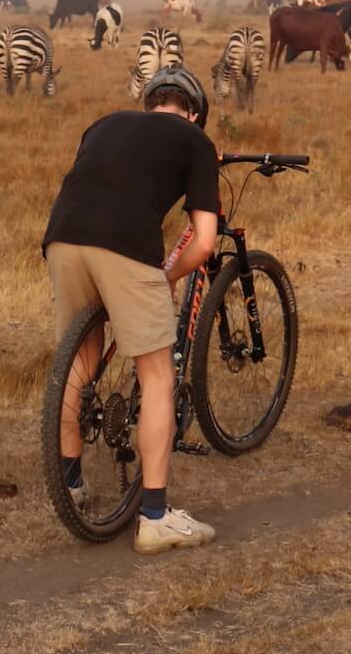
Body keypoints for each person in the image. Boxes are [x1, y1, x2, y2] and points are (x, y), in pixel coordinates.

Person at [41, 66, 221, 554]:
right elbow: (204, 243)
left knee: (80, 363)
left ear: (149, 105)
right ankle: (156, 517)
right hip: (123, 245)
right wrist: (165, 276)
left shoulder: (103, 124)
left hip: (62, 238)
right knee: (158, 375)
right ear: (195, 114)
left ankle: (72, 483)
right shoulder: (194, 140)